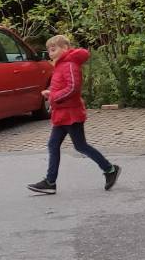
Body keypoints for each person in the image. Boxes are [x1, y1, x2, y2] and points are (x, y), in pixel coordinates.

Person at [27, 35, 120, 196]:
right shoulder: (60, 65)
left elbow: (73, 88)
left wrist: (54, 96)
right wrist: (51, 92)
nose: (50, 52)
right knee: (54, 145)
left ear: (65, 48)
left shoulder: (69, 64)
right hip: (62, 114)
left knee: (80, 145)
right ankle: (50, 182)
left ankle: (110, 169)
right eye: (48, 49)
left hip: (71, 113)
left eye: (53, 49)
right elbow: (64, 87)